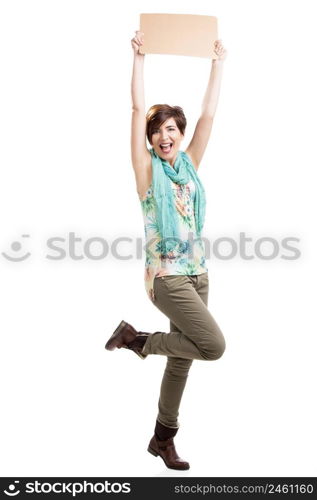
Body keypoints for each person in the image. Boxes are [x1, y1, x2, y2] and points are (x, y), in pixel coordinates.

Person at [105, 30, 227, 471]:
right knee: (212, 346)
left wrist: (218, 64)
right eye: (157, 132)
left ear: (180, 133)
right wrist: (139, 59)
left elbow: (208, 115)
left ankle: (162, 439)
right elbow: (138, 109)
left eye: (170, 129)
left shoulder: (190, 166)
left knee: (182, 361)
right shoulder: (145, 173)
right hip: (166, 278)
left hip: (199, 273)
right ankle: (137, 340)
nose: (163, 136)